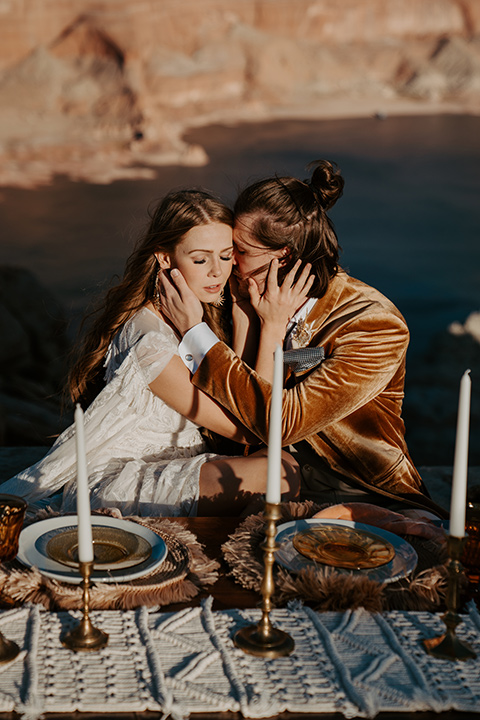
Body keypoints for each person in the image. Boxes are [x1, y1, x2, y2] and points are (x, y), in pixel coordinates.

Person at [159, 161, 447, 519]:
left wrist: (195, 334)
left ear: (284, 257)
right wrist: (247, 318)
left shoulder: (374, 325)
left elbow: (280, 423)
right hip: (269, 469)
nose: (228, 264)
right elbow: (243, 423)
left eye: (240, 252)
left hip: (358, 486)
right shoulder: (240, 293)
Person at [1, 189, 300, 517]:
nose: (217, 271)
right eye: (201, 259)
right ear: (165, 258)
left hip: (166, 466)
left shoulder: (187, 316)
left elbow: (238, 391)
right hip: (116, 482)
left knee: (283, 466)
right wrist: (272, 326)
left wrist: (242, 311)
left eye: (227, 256)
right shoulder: (151, 345)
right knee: (280, 473)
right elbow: (253, 425)